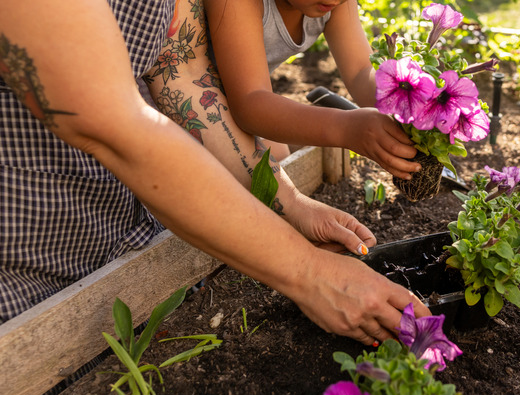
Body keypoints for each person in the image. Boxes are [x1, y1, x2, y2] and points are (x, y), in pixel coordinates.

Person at [0, 0, 430, 345]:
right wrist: (309, 273)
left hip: (117, 202)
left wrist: (289, 203)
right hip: (24, 223)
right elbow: (113, 126)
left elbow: (181, 72)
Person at [203, 0, 423, 180]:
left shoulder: (335, 3)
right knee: (263, 174)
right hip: (190, 106)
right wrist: (347, 129)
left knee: (279, 164)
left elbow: (360, 71)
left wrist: (403, 100)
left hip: (235, 95)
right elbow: (249, 103)